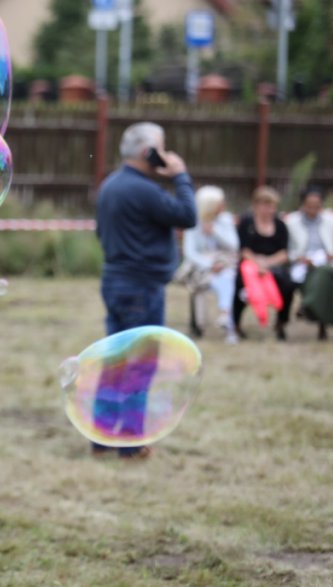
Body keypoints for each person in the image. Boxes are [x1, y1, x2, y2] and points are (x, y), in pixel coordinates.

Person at [94, 122, 196, 459]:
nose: (166, 155)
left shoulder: (110, 186)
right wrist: (179, 175)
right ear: (146, 152)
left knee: (115, 360)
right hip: (141, 287)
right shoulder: (144, 190)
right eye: (162, 148)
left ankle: (101, 436)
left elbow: (101, 234)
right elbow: (188, 215)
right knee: (139, 364)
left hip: (115, 280)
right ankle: (132, 443)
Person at [176, 185, 239, 343]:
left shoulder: (225, 219)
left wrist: (214, 232)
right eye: (220, 203)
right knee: (225, 280)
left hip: (223, 266)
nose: (223, 206)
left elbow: (234, 245)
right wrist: (210, 264)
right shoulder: (193, 222)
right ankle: (226, 323)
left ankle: (225, 318)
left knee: (226, 277)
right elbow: (190, 253)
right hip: (201, 270)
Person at [233, 186, 295, 340]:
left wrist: (267, 263)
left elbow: (284, 252)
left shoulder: (280, 225)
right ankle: (236, 325)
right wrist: (257, 263)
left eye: (271, 206)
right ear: (255, 205)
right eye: (264, 205)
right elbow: (242, 249)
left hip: (273, 265)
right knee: (239, 285)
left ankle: (281, 322)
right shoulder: (246, 223)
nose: (268, 209)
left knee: (288, 285)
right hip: (249, 265)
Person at [286, 186, 333, 340]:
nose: (313, 209)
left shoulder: (331, 222)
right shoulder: (292, 222)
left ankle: (307, 305)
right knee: (321, 274)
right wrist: (299, 258)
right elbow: (287, 250)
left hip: (328, 264)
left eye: (317, 206)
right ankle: (310, 307)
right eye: (309, 205)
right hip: (303, 265)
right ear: (302, 204)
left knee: (324, 272)